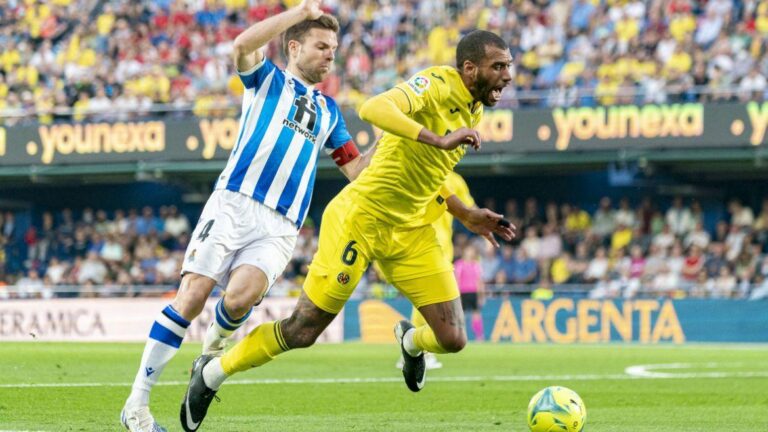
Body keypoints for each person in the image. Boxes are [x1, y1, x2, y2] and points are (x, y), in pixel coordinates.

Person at [180, 27, 515, 430]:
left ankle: (410, 341)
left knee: (453, 338)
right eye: (499, 67)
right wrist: (438, 139)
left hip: (412, 229)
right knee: (303, 329)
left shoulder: (474, 107)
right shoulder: (437, 85)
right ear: (469, 68)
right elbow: (374, 108)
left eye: (508, 67)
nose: (507, 76)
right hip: (361, 218)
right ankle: (213, 371)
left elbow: (429, 172)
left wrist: (464, 213)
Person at [120, 1, 375, 430]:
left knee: (240, 298)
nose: (330, 56)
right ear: (294, 47)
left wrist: (391, 136)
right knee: (192, 297)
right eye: (321, 46)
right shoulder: (266, 78)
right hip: (235, 203)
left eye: (333, 49)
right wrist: (299, 13)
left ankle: (208, 358)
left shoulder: (330, 111)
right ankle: (137, 406)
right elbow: (241, 44)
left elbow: (356, 172)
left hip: (281, 225)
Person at [395, 170, 476, 370]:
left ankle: (414, 350)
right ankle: (416, 350)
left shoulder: (419, 173)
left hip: (421, 244)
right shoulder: (452, 180)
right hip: (434, 246)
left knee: (425, 299)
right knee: (430, 300)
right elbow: (471, 211)